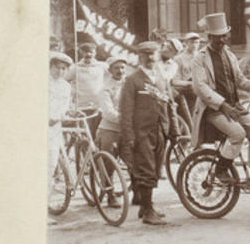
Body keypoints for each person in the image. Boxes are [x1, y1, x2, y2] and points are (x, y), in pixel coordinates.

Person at [190, 12, 250, 185]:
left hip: (234, 105)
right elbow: (201, 87)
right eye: (218, 37)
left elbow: (239, 80)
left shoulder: (229, 55)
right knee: (238, 134)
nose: (223, 40)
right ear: (209, 37)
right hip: (213, 109)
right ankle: (220, 171)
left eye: (224, 36)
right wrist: (222, 105)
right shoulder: (199, 59)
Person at [118, 41, 174, 225]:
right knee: (146, 170)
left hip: (160, 131)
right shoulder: (132, 80)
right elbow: (125, 112)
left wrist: (172, 129)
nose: (150, 58)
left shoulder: (161, 77)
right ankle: (149, 212)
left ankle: (145, 206)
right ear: (140, 57)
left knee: (156, 168)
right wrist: (129, 137)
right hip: (141, 133)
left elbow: (169, 103)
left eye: (153, 54)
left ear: (158, 56)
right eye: (146, 55)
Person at [96, 57, 130, 156]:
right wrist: (126, 120)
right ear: (110, 70)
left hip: (128, 130)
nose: (120, 71)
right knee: (108, 164)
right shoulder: (105, 89)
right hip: (110, 129)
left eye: (122, 68)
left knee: (134, 164)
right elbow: (108, 112)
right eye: (116, 68)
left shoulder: (130, 84)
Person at [49, 51, 74, 183]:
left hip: (55, 127)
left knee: (51, 161)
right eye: (57, 67)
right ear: (50, 67)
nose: (60, 71)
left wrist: (60, 116)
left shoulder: (66, 86)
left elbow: (64, 106)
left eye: (63, 68)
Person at [67, 39, 106, 110]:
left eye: (91, 52)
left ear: (95, 53)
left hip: (99, 105)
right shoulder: (75, 68)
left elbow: (115, 77)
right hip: (80, 105)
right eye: (85, 52)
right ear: (81, 52)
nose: (88, 54)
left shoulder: (103, 66)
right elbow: (64, 81)